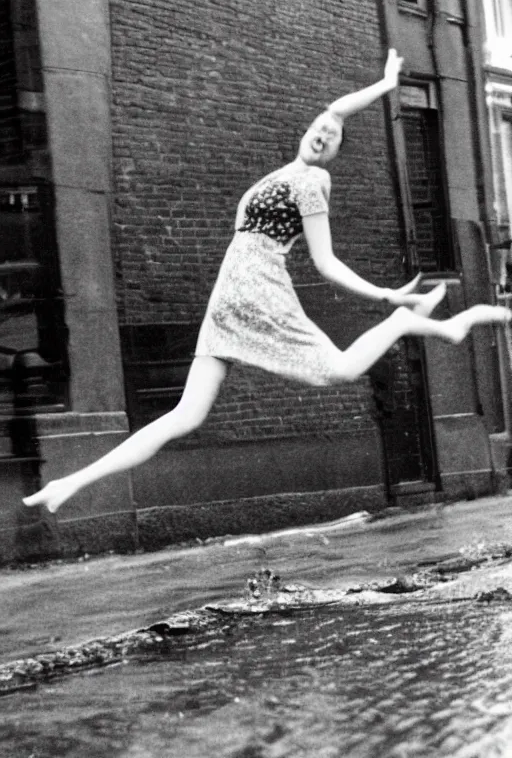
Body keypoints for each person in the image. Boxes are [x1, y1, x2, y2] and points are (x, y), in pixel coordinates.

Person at [23, 49, 511, 514]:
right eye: (319, 128)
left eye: (332, 138)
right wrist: (383, 85)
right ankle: (70, 483)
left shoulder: (313, 182)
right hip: (227, 303)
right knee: (184, 418)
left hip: (257, 290)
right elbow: (337, 109)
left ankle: (406, 321)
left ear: (333, 154)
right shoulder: (295, 166)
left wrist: (385, 293)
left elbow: (326, 263)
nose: (323, 133)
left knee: (337, 371)